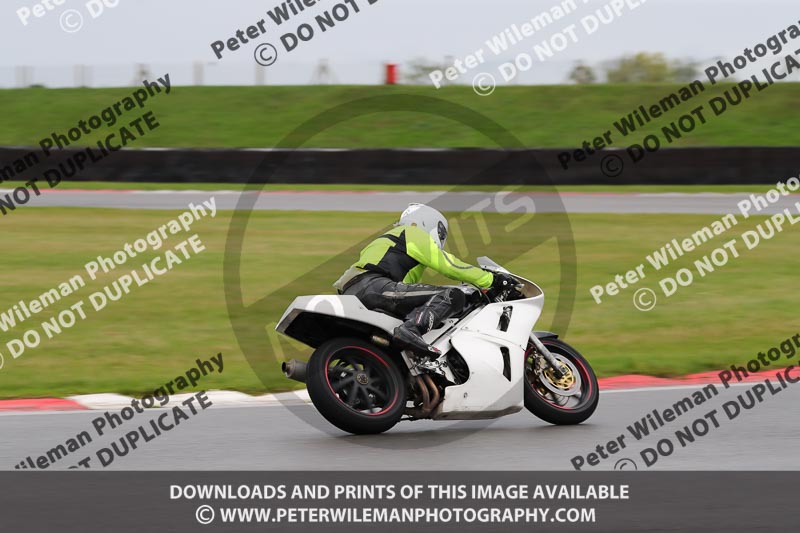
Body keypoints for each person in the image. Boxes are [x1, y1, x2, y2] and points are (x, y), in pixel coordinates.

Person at [334, 203, 517, 355]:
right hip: (374, 286)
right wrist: (490, 279)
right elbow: (448, 265)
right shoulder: (411, 232)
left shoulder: (389, 242)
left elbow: (405, 287)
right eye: (441, 233)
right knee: (452, 295)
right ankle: (410, 330)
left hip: (354, 293)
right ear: (428, 223)